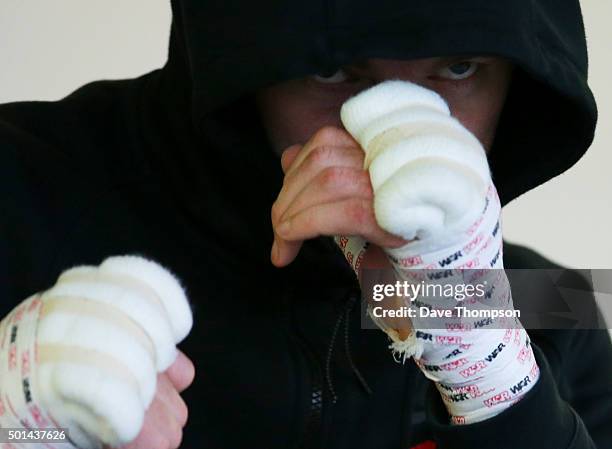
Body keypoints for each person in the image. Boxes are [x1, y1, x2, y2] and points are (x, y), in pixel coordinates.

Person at [1, 0, 611, 448]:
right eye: (335, 71)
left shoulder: (553, 300)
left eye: (458, 70)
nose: (393, 133)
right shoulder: (22, 187)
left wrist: (491, 371)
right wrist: (19, 428)